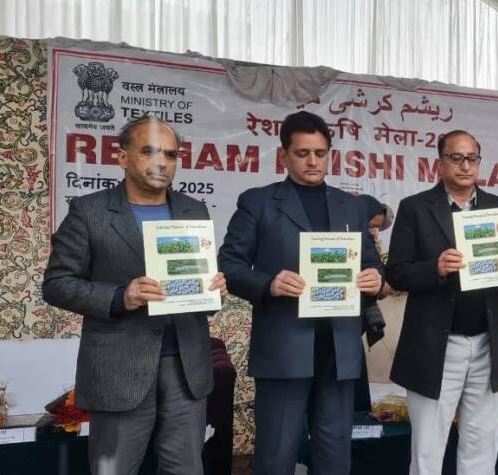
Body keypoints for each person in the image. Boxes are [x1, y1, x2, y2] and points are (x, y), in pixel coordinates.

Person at [42, 116, 227, 475]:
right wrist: (118, 297)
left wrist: (215, 291)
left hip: (186, 366)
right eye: (148, 152)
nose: (161, 162)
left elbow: (199, 280)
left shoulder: (193, 209)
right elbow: (57, 283)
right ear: (122, 157)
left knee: (186, 469)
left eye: (170, 155)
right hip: (119, 368)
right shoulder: (89, 211)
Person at [217, 111, 383, 475]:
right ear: (284, 156)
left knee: (335, 456)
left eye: (320, 153)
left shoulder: (351, 206)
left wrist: (375, 277)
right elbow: (229, 263)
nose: (312, 161)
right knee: (276, 456)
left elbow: (372, 263)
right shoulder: (258, 202)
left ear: (329, 155)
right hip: (284, 346)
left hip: (339, 349)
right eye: (302, 153)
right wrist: (269, 284)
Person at [386, 130, 498, 475]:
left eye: (472, 158)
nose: (465, 166)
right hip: (436, 345)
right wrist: (435, 268)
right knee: (428, 448)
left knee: (481, 444)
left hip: (487, 342)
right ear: (440, 163)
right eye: (456, 158)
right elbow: (397, 273)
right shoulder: (415, 208)